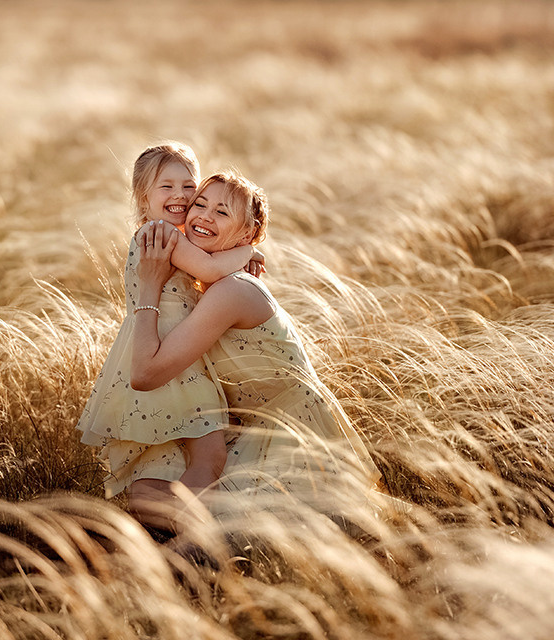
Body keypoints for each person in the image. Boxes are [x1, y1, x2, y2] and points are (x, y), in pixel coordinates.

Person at [128, 172, 379, 526]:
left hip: (291, 435)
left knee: (222, 531)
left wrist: (150, 286)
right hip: (249, 430)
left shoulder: (232, 291)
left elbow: (144, 373)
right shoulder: (206, 286)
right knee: (144, 494)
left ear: (246, 234)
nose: (203, 216)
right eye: (199, 205)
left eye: (222, 212)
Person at [76, 142, 265, 502]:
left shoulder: (170, 235)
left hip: (171, 349)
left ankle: (162, 506)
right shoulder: (161, 235)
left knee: (189, 454)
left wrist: (237, 261)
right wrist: (249, 251)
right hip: (170, 358)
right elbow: (209, 268)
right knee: (210, 455)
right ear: (142, 198)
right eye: (167, 186)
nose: (180, 195)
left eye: (188, 186)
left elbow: (208, 268)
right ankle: (190, 524)